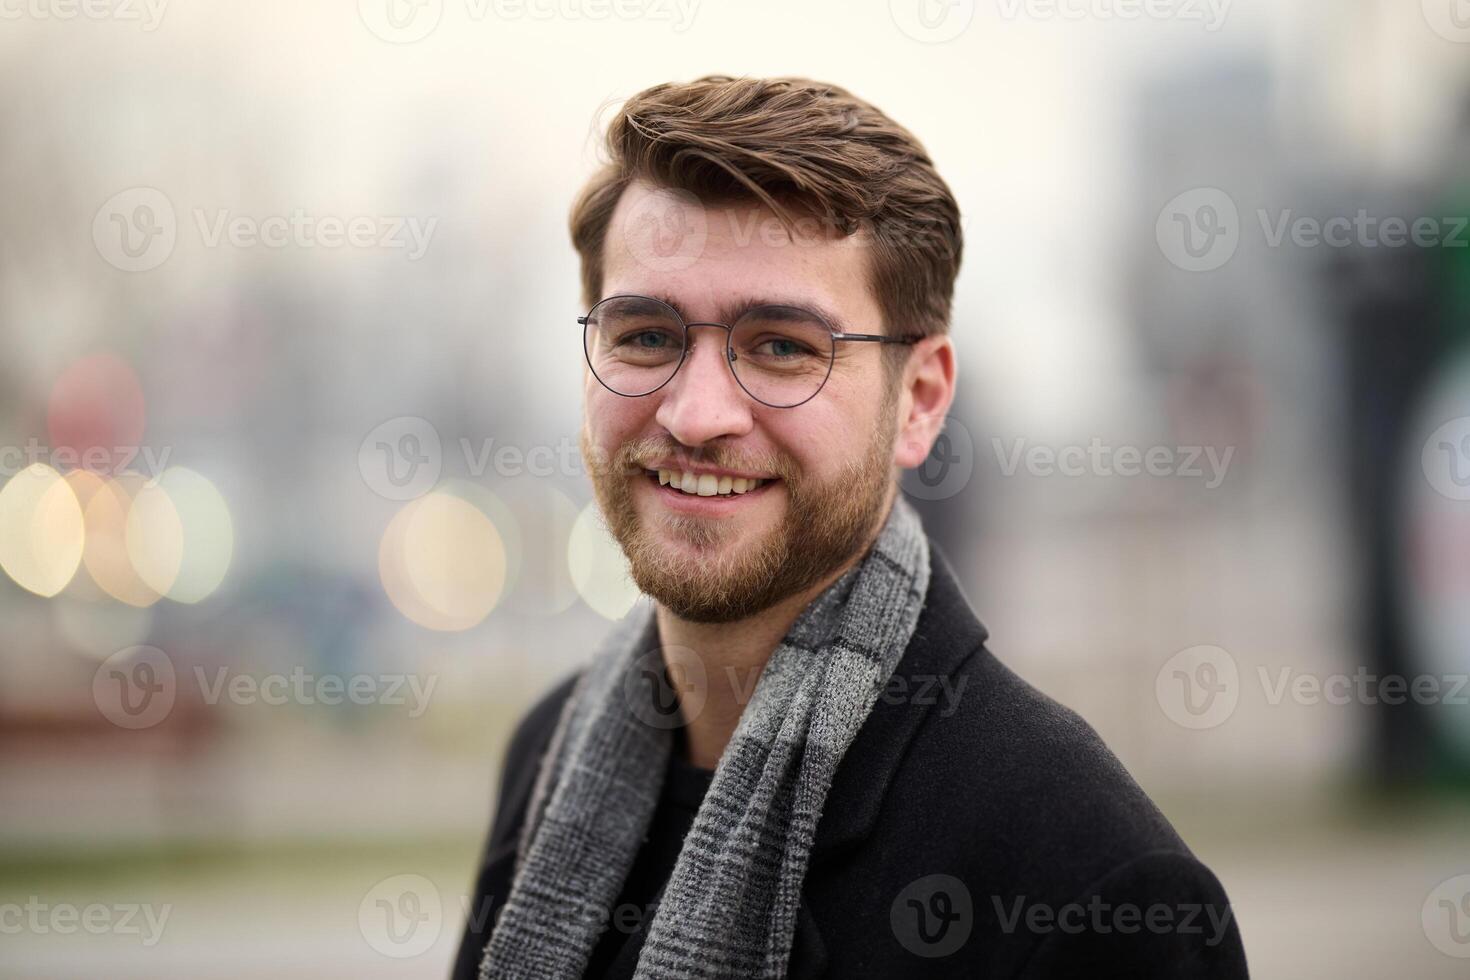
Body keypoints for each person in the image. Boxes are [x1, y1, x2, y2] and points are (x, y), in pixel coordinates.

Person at [452, 74, 1248, 979]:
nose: (697, 413)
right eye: (646, 336)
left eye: (783, 346)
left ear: (920, 400)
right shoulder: (547, 760)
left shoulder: (1091, 878)